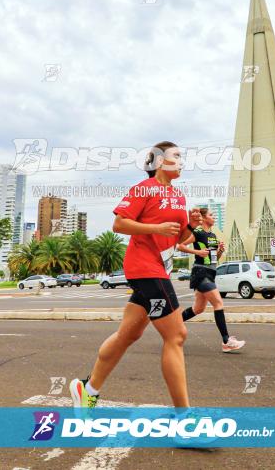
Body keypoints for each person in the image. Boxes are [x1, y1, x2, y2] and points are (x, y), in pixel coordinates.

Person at [70, 142, 200, 410]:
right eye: (176, 156)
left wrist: (193, 229)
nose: (182, 161)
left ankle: (88, 389)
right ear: (160, 161)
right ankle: (184, 418)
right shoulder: (144, 188)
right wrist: (156, 227)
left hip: (161, 268)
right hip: (144, 268)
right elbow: (119, 223)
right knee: (176, 335)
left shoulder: (179, 196)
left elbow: (177, 238)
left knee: (127, 335)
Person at [177, 207, 246, 353]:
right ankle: (226, 341)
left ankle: (172, 324)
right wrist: (197, 252)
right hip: (200, 273)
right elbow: (180, 246)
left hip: (210, 272)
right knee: (218, 302)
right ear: (203, 218)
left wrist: (219, 251)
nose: (214, 217)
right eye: (211, 215)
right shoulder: (198, 233)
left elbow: (214, 259)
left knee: (198, 309)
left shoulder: (213, 235)